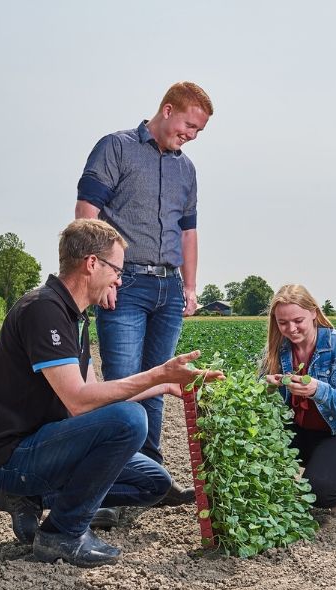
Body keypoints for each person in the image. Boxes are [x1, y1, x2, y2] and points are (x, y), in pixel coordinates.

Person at [0, 219, 223, 567]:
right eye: (117, 270)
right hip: (16, 455)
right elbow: (79, 401)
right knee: (130, 420)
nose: (119, 280)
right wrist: (158, 372)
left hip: (50, 446)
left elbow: (95, 394)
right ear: (92, 263)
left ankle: (25, 495)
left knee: (153, 483)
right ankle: (62, 533)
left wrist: (163, 385)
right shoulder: (43, 309)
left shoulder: (74, 316)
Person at [74, 82, 213, 513]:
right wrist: (100, 277)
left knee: (159, 381)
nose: (191, 135)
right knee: (122, 382)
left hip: (168, 286)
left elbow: (188, 232)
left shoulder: (186, 170)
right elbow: (86, 214)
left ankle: (150, 477)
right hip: (125, 282)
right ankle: (116, 479)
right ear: (168, 110)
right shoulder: (115, 147)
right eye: (189, 125)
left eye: (198, 131)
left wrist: (190, 286)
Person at [262, 284, 336, 517]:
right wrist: (268, 387)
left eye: (298, 320)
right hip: (299, 432)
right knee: (255, 451)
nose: (291, 329)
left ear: (313, 313)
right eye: (283, 323)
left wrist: (318, 390)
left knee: (320, 490)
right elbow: (261, 400)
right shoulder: (277, 349)